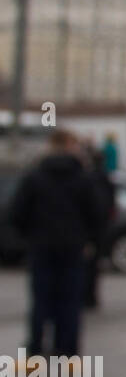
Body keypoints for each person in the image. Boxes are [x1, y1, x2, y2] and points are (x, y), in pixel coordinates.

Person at [8, 130, 106, 359]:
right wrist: (89, 239)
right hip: (73, 248)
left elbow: (16, 213)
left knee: (41, 299)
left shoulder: (34, 177)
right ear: (71, 147)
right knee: (70, 301)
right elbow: (97, 213)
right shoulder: (83, 177)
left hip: (41, 247)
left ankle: (36, 349)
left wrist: (29, 236)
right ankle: (68, 351)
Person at [81, 140, 116, 310]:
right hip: (99, 228)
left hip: (89, 229)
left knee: (86, 265)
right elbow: (109, 203)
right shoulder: (104, 178)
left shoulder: (87, 179)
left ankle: (86, 297)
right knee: (94, 265)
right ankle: (91, 297)